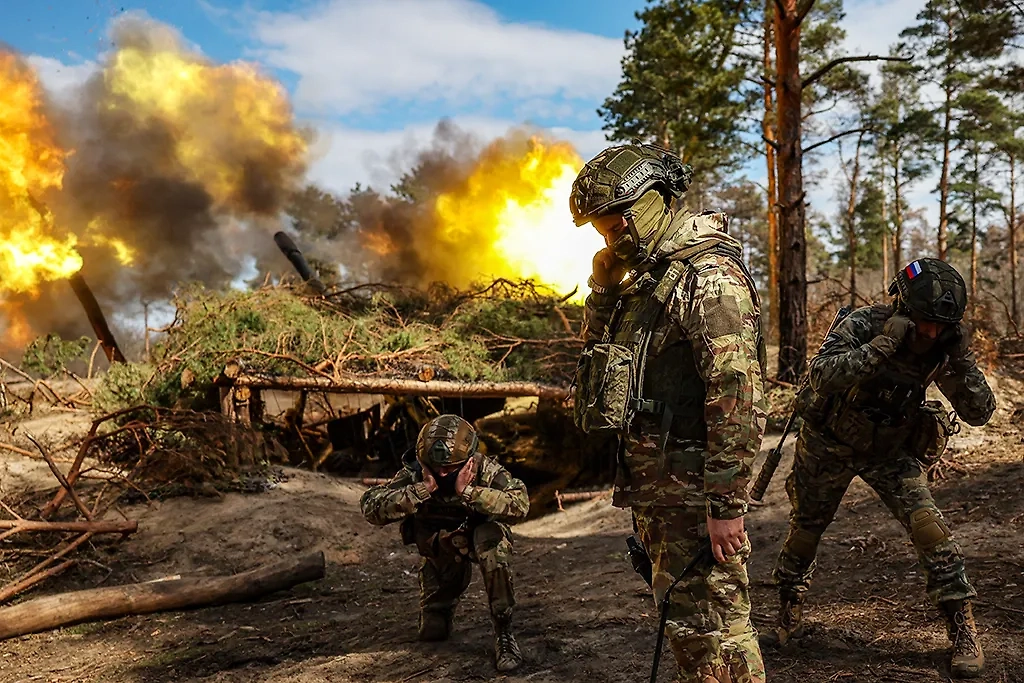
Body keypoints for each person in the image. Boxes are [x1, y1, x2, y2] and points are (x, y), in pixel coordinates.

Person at [569, 142, 768, 683]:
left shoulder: (708, 277)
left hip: (693, 484)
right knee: (691, 628)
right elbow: (597, 373)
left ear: (654, 204)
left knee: (715, 627)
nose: (611, 239)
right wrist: (603, 295)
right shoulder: (646, 280)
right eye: (601, 231)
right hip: (659, 485)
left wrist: (726, 502)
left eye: (615, 226)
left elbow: (737, 396)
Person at [765, 258, 995, 679]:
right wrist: (880, 348)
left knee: (930, 528)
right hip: (829, 442)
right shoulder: (865, 324)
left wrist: (962, 363)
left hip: (889, 450)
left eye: (940, 326)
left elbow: (979, 412)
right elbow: (821, 375)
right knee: (806, 529)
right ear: (904, 310)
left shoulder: (944, 346)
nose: (930, 333)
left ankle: (962, 623)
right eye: (924, 322)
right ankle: (786, 611)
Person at [359, 414, 529, 672]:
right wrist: (421, 490)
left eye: (451, 468)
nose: (442, 473)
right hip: (443, 551)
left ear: (469, 460)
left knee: (492, 540)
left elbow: (520, 503)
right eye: (435, 467)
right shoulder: (417, 473)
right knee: (433, 631)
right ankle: (441, 604)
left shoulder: (483, 469)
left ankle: (504, 632)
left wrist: (469, 493)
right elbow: (371, 506)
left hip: (478, 540)